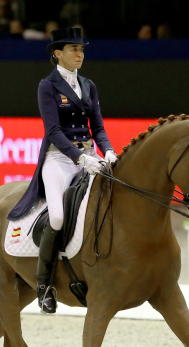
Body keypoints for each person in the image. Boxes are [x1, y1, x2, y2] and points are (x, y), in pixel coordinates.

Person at [7, 27, 116, 314]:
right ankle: (44, 286)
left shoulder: (89, 85)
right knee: (57, 217)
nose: (80, 54)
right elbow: (53, 132)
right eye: (73, 50)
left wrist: (108, 151)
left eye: (82, 50)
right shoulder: (48, 85)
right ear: (58, 53)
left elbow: (98, 127)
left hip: (91, 157)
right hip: (59, 159)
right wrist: (81, 158)